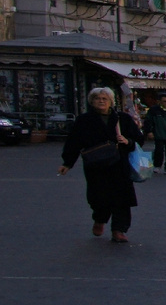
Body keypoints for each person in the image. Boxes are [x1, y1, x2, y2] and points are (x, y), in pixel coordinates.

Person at [59, 86, 141, 242]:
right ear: (92, 101)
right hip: (96, 165)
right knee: (98, 197)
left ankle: (119, 230)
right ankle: (99, 218)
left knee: (122, 198)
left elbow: (138, 138)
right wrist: (67, 163)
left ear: (111, 101)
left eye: (104, 99)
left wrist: (127, 141)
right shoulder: (84, 120)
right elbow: (73, 142)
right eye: (97, 98)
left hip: (119, 164)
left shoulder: (122, 118)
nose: (101, 101)